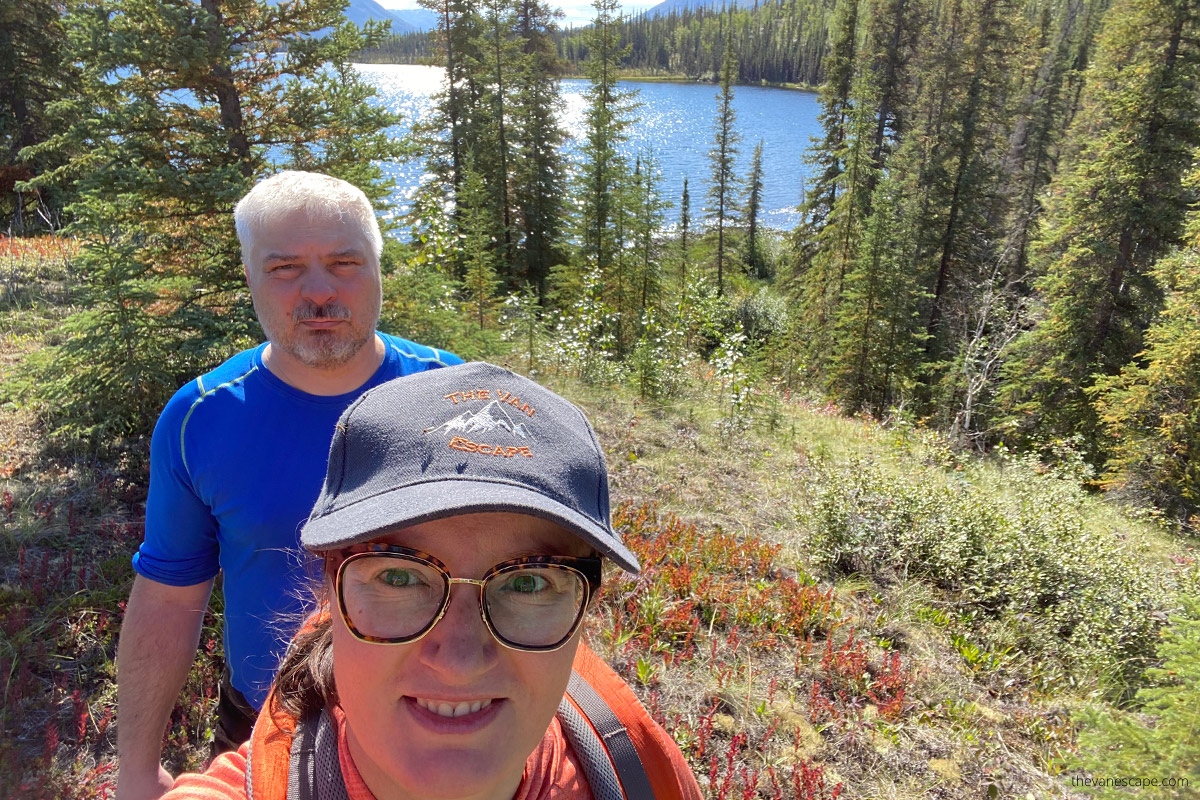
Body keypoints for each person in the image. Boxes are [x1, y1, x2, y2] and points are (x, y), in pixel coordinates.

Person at [161, 362, 703, 800]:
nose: (460, 659)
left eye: (530, 584)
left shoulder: (637, 771)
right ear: (331, 587)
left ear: (584, 608)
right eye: (400, 576)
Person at [116, 171, 462, 800]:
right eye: (284, 268)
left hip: (433, 722)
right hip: (260, 728)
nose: (319, 291)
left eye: (344, 262)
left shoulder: (458, 398)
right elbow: (167, 600)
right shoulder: (200, 419)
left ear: (379, 269)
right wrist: (135, 767)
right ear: (249, 277)